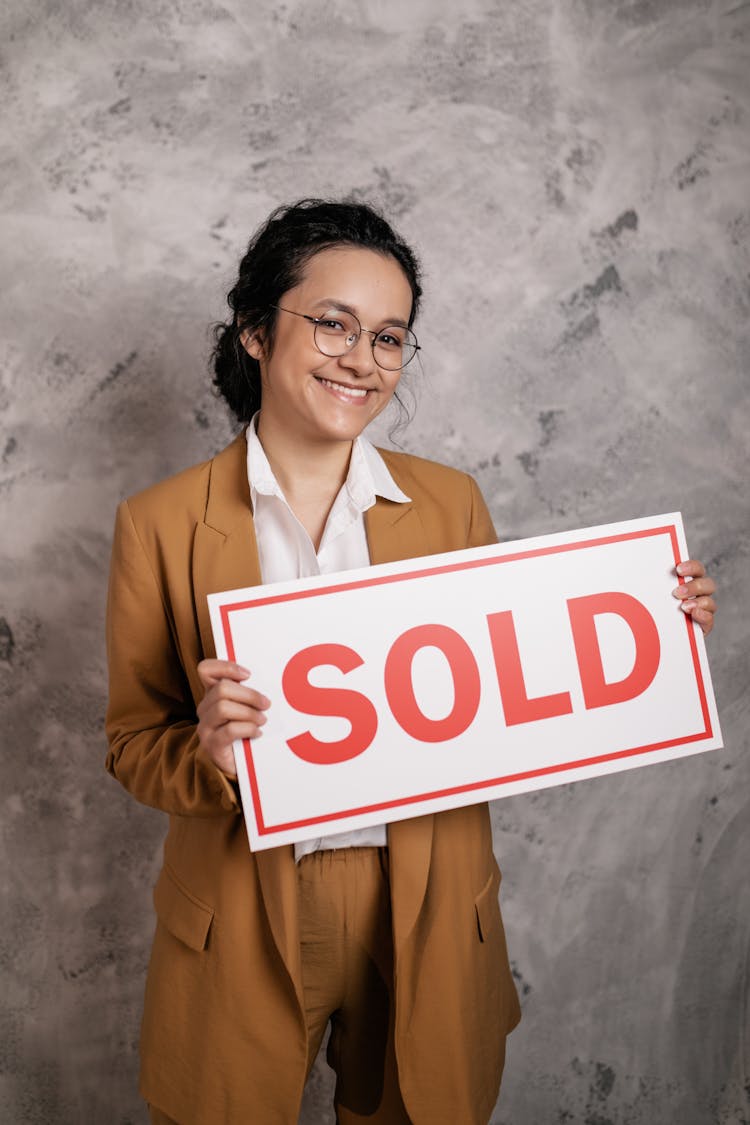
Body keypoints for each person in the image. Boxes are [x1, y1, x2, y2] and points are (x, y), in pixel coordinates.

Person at [105, 198, 717, 1125]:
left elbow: (510, 683)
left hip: (427, 896)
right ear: (255, 334)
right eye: (333, 324)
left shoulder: (450, 505)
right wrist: (209, 753)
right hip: (247, 903)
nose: (362, 358)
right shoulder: (159, 523)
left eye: (390, 337)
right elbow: (131, 740)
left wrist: (653, 621)